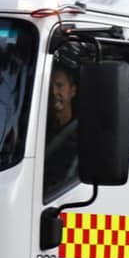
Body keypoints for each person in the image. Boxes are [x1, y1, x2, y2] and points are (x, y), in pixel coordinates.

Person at [43, 59, 79, 199]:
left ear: (73, 91)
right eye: (49, 86)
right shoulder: (35, 134)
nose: (53, 92)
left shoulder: (83, 136)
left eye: (59, 86)